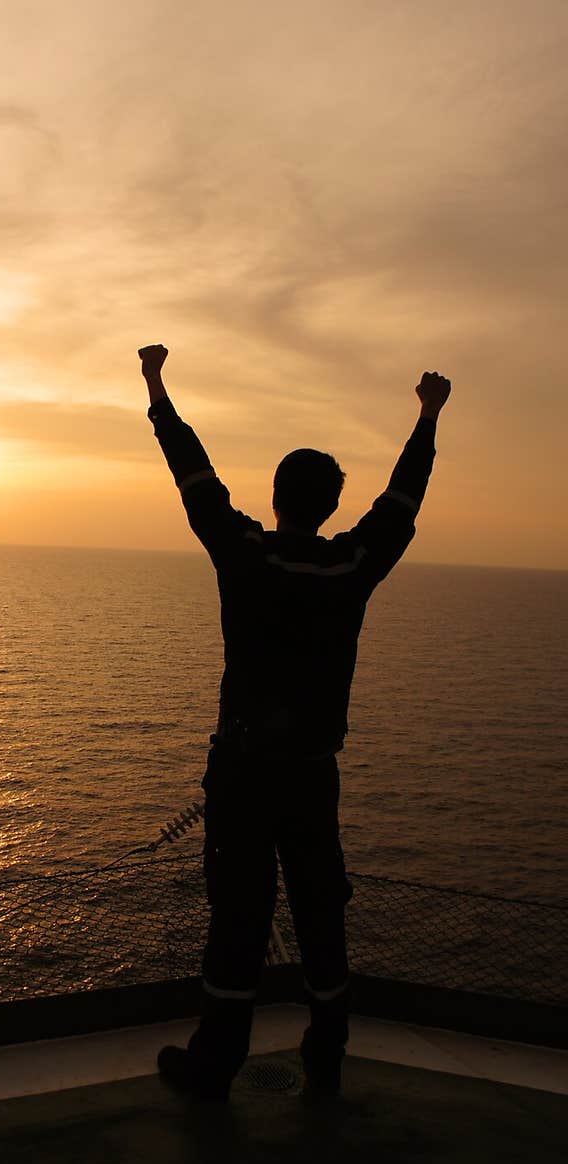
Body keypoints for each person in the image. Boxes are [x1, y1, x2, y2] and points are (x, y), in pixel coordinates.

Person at [139, 343, 451, 1099]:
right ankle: (327, 1055)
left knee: (238, 916)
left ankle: (215, 1066)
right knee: (320, 913)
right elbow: (401, 504)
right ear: (331, 505)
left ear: (275, 495)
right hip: (313, 774)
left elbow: (195, 475)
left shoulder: (246, 555)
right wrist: (428, 417)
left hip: (245, 772)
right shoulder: (349, 569)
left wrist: (156, 385)